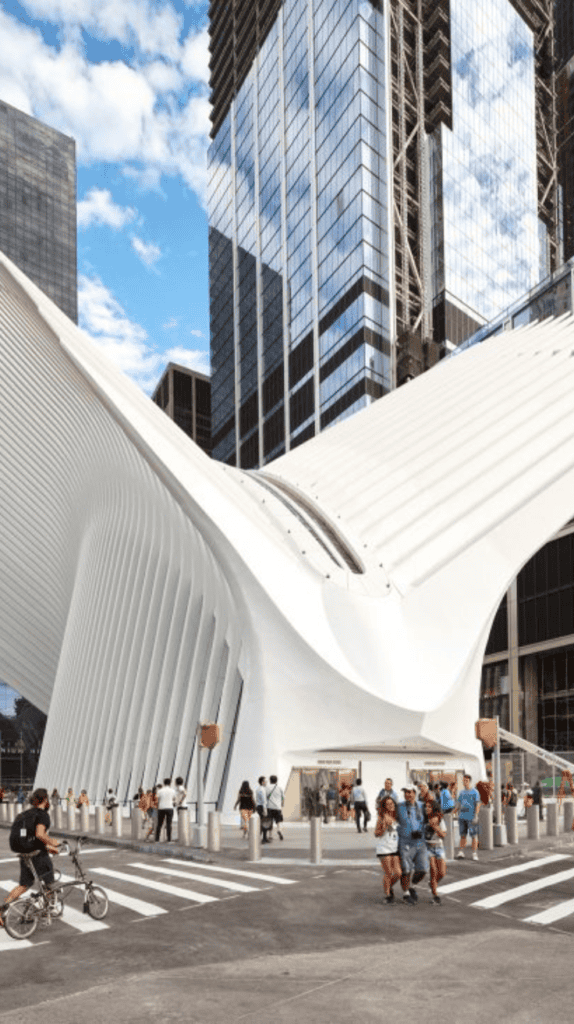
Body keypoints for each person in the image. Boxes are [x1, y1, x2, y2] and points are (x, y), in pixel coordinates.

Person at [1, 788, 59, 927]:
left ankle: (2, 910)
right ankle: (47, 911)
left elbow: (31, 838)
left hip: (25, 852)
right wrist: (53, 843)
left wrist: (46, 846)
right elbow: (40, 834)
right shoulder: (42, 814)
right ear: (45, 800)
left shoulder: (25, 814)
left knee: (24, 884)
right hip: (37, 854)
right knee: (49, 882)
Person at [396, 784, 428, 905]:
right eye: (405, 792)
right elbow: (390, 816)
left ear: (415, 793)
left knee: (423, 869)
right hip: (405, 841)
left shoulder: (422, 806)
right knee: (406, 869)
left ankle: (412, 886)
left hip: (420, 841)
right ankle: (405, 894)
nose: (407, 795)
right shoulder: (399, 806)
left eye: (410, 792)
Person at [374, 796, 401, 904]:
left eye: (392, 803)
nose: (391, 805)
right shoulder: (381, 817)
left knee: (398, 873)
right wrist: (384, 827)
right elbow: (376, 833)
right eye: (388, 804)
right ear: (384, 806)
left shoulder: (396, 817)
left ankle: (389, 887)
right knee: (388, 873)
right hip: (384, 849)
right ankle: (388, 895)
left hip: (394, 848)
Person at [423, 797, 447, 904]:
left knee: (442, 873)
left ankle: (432, 884)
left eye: (429, 806)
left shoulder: (440, 820)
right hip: (428, 848)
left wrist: (435, 826)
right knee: (433, 870)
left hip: (439, 848)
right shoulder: (423, 820)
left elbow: (443, 835)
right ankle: (435, 894)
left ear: (434, 808)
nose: (427, 808)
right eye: (426, 806)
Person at [455, 774, 481, 861]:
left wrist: (476, 816)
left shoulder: (475, 792)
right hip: (462, 817)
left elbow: (477, 804)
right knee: (463, 835)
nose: (464, 782)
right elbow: (458, 804)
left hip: (471, 817)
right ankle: (461, 852)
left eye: (466, 781)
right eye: (463, 780)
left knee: (474, 836)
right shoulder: (461, 792)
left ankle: (474, 853)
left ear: (470, 781)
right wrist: (453, 812)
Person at [155, 777, 176, 842]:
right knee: (169, 824)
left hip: (161, 808)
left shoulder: (160, 791)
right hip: (170, 807)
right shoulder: (172, 790)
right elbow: (174, 799)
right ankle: (169, 839)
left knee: (159, 824)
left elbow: (157, 799)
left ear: (164, 783)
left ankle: (157, 839)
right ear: (170, 783)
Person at [266, 775, 285, 840]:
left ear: (270, 780)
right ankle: (279, 830)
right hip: (278, 807)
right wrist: (282, 804)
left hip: (270, 807)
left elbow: (265, 797)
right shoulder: (279, 788)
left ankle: (270, 835)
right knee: (279, 821)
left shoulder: (267, 787)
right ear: (276, 780)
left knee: (270, 821)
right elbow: (283, 797)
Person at [255, 776, 271, 843]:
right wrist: (265, 810)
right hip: (262, 807)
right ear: (262, 782)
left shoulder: (258, 789)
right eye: (265, 781)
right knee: (264, 823)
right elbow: (263, 800)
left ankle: (263, 837)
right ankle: (263, 838)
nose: (266, 782)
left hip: (259, 807)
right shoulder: (262, 790)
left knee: (262, 823)